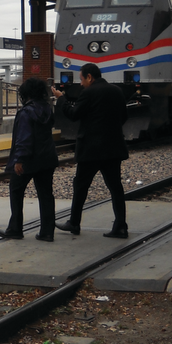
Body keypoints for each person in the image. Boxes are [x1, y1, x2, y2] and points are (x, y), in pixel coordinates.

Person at [52, 63, 129, 238]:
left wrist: (61, 99)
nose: (80, 83)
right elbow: (124, 117)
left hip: (91, 150)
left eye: (81, 79)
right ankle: (121, 226)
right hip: (113, 148)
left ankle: (74, 223)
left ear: (89, 77)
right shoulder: (117, 91)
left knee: (80, 186)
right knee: (115, 187)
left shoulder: (88, 92)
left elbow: (74, 114)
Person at [0, 77, 59, 242]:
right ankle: (47, 231)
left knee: (16, 190)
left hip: (29, 159)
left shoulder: (26, 112)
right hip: (47, 158)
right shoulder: (47, 109)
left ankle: (15, 228)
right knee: (46, 194)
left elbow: (24, 138)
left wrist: (19, 159)